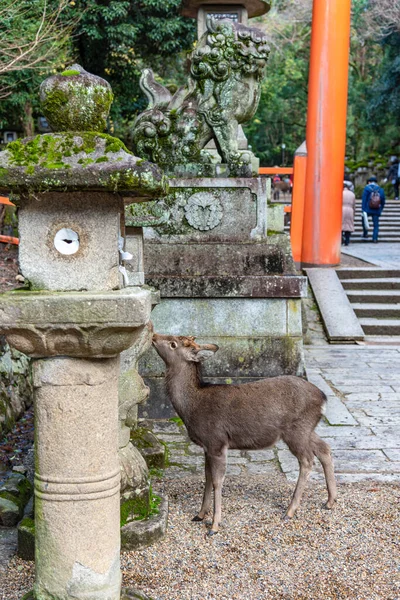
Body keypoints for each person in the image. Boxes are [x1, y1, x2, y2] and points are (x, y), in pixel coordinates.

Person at [361, 176, 386, 243]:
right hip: (376, 209)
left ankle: (365, 233)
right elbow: (383, 200)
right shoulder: (380, 189)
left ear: (369, 182)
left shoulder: (366, 189)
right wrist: (381, 209)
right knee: (376, 224)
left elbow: (364, 200)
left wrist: (363, 210)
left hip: (367, 209)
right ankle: (375, 238)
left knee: (364, 221)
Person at [342, 181, 356, 246]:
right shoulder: (352, 194)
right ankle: (347, 241)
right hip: (350, 210)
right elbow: (354, 205)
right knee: (348, 225)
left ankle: (341, 239)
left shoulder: (341, 193)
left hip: (342, 209)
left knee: (341, 225)